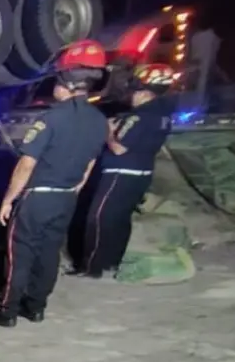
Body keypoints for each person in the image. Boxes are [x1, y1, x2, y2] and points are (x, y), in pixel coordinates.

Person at [0, 40, 111, 328]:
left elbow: (27, 163)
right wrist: (74, 189)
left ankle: (7, 310)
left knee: (20, 253)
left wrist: (8, 200)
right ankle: (36, 307)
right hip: (66, 198)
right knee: (49, 252)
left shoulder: (50, 119)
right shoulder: (100, 121)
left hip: (37, 198)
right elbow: (90, 162)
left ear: (65, 82)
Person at [70, 63, 176, 278]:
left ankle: (93, 268)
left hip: (121, 173)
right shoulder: (163, 115)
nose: (131, 96)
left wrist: (108, 130)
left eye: (134, 91)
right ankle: (111, 264)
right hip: (141, 174)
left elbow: (118, 147)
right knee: (120, 219)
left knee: (98, 218)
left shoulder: (138, 117)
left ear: (145, 92)